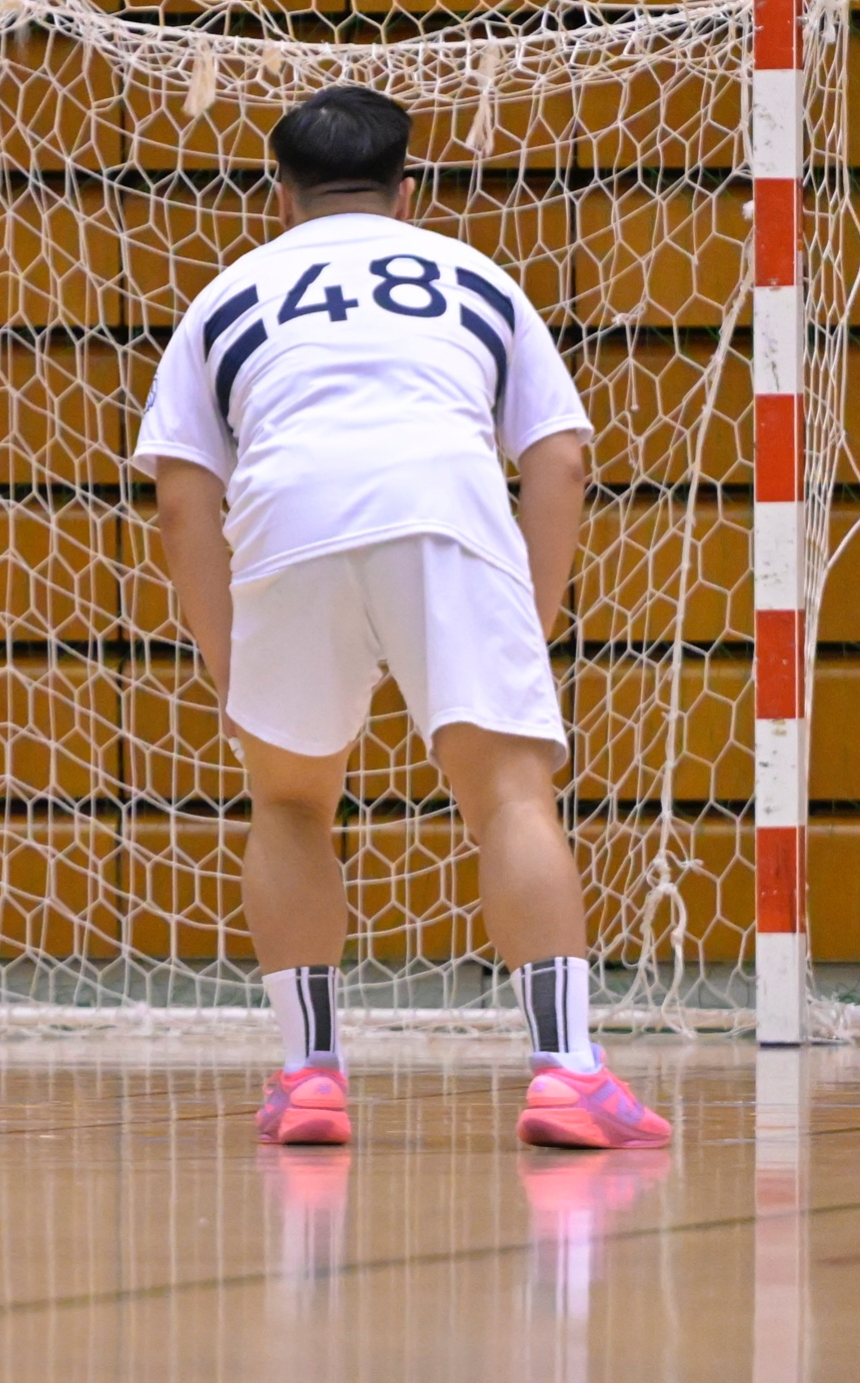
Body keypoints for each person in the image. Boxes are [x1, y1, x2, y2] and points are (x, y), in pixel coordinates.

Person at [135, 85, 672, 1150]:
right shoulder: (476, 279)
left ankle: (309, 1077)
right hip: (443, 512)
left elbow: (180, 500)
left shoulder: (227, 295)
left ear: (278, 193)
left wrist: (224, 654)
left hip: (289, 520)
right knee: (509, 794)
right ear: (408, 190)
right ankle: (566, 1072)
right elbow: (560, 458)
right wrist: (528, 618)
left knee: (289, 800)